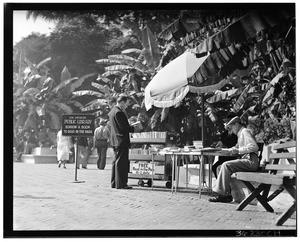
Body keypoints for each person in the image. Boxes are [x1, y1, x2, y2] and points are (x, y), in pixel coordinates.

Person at [209, 116, 259, 203]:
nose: (230, 130)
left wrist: (238, 150)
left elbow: (254, 147)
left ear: (236, 125)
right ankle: (226, 195)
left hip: (251, 161)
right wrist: (229, 150)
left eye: (231, 127)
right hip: (246, 161)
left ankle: (222, 193)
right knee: (219, 167)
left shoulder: (245, 132)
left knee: (226, 165)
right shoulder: (240, 135)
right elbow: (236, 147)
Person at [108, 95, 140, 189]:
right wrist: (134, 128)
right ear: (122, 102)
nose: (127, 105)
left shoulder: (112, 112)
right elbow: (123, 128)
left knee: (115, 162)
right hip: (121, 140)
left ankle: (114, 183)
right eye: (127, 103)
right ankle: (121, 184)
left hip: (115, 140)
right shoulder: (119, 112)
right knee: (121, 163)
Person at [212, 114, 238, 178]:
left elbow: (234, 145)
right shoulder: (225, 134)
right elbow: (222, 142)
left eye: (227, 122)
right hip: (223, 157)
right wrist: (216, 144)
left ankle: (224, 186)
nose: (226, 124)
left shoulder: (237, 134)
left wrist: (225, 146)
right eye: (226, 122)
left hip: (232, 157)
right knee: (214, 167)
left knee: (220, 168)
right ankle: (220, 185)